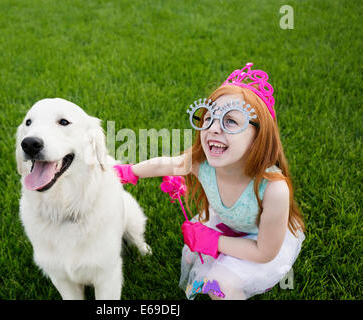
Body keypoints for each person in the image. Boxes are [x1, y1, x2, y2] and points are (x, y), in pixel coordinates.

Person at [113, 63, 305, 300]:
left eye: (231, 121)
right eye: (209, 118)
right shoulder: (201, 163)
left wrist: (214, 241)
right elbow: (165, 164)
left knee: (220, 284)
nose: (213, 128)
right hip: (225, 225)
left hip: (259, 240)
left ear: (259, 136)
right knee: (200, 266)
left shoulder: (274, 189)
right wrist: (129, 171)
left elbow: (264, 252)